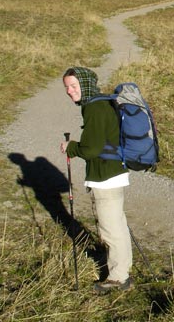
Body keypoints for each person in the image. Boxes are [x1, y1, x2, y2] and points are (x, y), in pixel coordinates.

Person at [59, 67, 133, 294]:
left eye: (74, 86)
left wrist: (70, 147)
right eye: (67, 88)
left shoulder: (94, 107)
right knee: (117, 224)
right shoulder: (101, 103)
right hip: (114, 171)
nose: (70, 92)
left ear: (86, 83)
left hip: (106, 176)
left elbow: (90, 149)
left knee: (111, 229)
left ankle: (118, 278)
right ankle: (123, 269)